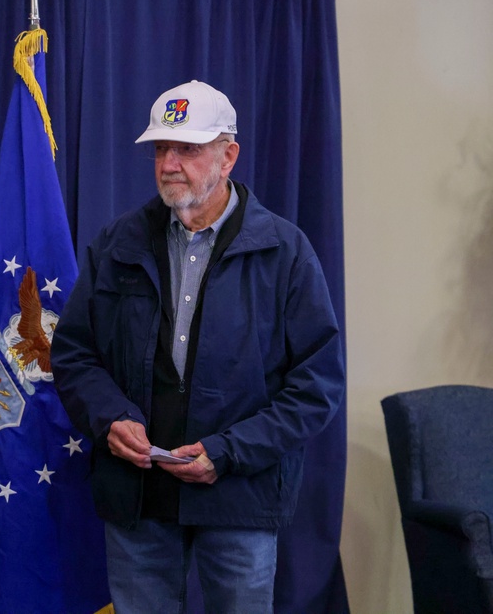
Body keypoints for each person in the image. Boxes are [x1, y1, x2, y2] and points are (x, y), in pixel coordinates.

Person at [50, 80, 345, 613]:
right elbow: (74, 354)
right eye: (162, 149)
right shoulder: (118, 243)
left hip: (239, 499)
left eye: (186, 149)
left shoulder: (286, 252)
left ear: (228, 155)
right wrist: (109, 416)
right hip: (137, 498)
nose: (168, 164)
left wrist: (229, 452)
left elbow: (317, 386)